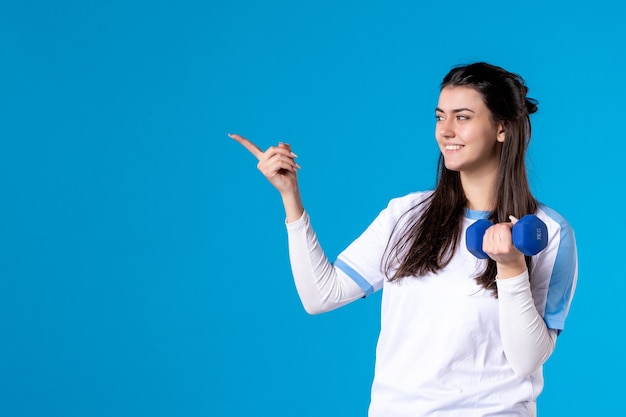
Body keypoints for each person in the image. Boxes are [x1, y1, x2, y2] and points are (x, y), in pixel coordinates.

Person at [229, 62, 578, 417]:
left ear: (501, 127)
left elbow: (526, 360)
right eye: (440, 117)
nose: (445, 131)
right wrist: (290, 197)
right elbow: (321, 295)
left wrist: (511, 267)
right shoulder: (406, 215)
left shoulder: (547, 232)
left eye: (462, 117)